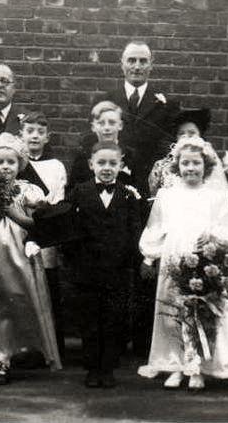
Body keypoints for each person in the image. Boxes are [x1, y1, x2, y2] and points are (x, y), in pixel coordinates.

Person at [137, 136, 228, 391]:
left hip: (206, 257)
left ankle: (199, 367)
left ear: (206, 166)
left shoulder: (216, 195)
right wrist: (149, 255)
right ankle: (177, 365)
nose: (191, 168)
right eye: (185, 163)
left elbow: (226, 228)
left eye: (196, 163)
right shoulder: (167, 195)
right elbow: (156, 226)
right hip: (174, 257)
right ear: (177, 166)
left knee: (202, 312)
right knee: (175, 313)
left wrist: (211, 240)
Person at [0, 133, 62, 385]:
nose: (5, 167)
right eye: (0, 162)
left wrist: (13, 212)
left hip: (16, 253)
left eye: (11, 162)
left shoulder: (28, 190)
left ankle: (6, 358)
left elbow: (35, 224)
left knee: (10, 301)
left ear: (20, 165)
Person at [65, 141, 143, 388]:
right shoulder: (79, 192)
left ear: (121, 165)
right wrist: (75, 260)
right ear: (91, 165)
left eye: (112, 163)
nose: (106, 168)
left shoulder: (129, 195)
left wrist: (130, 262)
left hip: (117, 271)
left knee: (113, 320)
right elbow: (69, 230)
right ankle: (92, 368)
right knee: (89, 320)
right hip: (86, 271)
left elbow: (134, 231)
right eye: (101, 163)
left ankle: (108, 368)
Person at [93, 40, 181, 198]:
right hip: (112, 180)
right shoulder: (105, 101)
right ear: (122, 64)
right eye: (131, 60)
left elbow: (169, 146)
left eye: (143, 61)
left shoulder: (167, 104)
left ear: (151, 65)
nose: (137, 66)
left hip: (149, 183)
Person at [17, 110, 69, 357]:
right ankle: (26, 347)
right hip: (20, 229)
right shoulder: (15, 163)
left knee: (47, 287)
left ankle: (51, 348)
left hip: (46, 230)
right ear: (21, 135)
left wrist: (46, 207)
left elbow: (59, 199)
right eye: (29, 131)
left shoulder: (56, 166)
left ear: (48, 137)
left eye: (40, 132)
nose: (34, 136)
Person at [69, 101, 137, 190]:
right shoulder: (83, 157)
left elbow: (139, 192)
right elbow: (73, 191)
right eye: (101, 123)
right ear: (93, 127)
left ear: (120, 125)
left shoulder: (131, 156)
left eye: (112, 123)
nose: (107, 128)